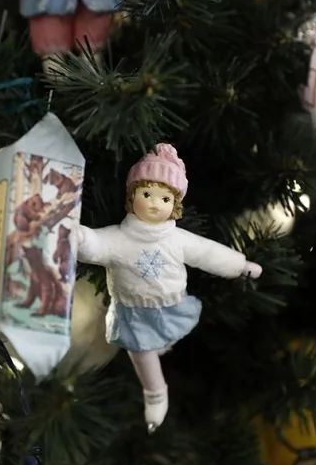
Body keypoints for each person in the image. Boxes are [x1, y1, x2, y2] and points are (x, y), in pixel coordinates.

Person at [76, 144, 263, 432]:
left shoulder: (177, 239)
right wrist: (77, 237)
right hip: (133, 311)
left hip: (170, 304)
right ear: (132, 195)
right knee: (142, 353)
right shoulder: (118, 238)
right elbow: (95, 245)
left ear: (174, 204)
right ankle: (155, 393)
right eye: (146, 194)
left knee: (163, 339)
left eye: (164, 198)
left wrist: (240, 265)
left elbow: (208, 253)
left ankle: (161, 348)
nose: (154, 203)